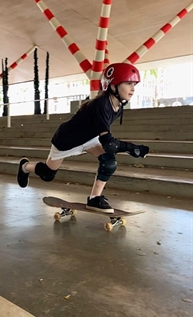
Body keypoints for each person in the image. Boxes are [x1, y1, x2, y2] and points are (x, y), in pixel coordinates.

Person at [17, 62, 149, 213]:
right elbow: (109, 143)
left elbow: (106, 141)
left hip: (90, 138)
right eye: (128, 83)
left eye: (134, 84)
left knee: (109, 161)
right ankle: (24, 166)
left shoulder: (117, 107)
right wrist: (133, 148)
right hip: (67, 140)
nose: (133, 88)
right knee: (47, 174)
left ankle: (94, 198)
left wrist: (131, 149)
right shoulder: (101, 104)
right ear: (112, 85)